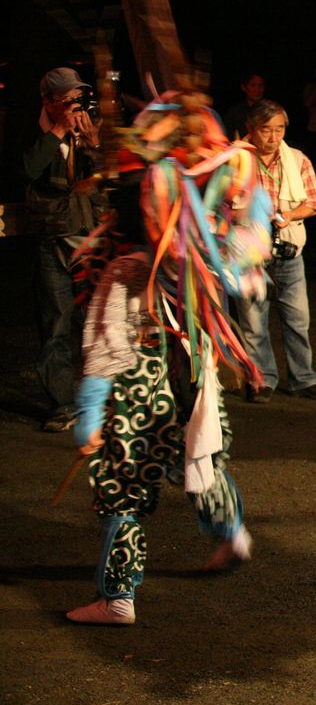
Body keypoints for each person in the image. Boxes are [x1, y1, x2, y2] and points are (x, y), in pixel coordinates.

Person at [65, 92, 270, 625]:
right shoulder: (196, 265)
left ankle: (117, 598)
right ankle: (232, 536)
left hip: (139, 391)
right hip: (194, 377)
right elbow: (242, 262)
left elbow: (106, 345)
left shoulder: (129, 269)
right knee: (201, 460)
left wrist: (89, 411)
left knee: (125, 486)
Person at [21, 67, 107, 432]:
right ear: (48, 103)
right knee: (56, 323)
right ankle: (61, 404)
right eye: (68, 100)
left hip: (88, 240)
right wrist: (56, 132)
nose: (77, 106)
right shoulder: (33, 133)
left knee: (97, 324)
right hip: (52, 243)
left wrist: (94, 147)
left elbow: (106, 178)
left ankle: (96, 400)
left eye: (79, 98)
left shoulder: (88, 128)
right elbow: (27, 169)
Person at [236, 100, 316, 403]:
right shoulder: (235, 160)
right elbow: (217, 205)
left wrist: (289, 215)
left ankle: (303, 379)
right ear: (251, 130)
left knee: (297, 319)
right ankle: (262, 380)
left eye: (279, 129)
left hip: (289, 252)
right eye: (266, 130)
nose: (273, 136)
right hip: (249, 255)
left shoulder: (297, 159)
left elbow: (313, 204)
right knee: (253, 323)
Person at [222, 72, 264, 139]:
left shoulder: (268, 111)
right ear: (244, 87)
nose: (257, 89)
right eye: (253, 85)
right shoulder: (234, 113)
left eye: (260, 86)